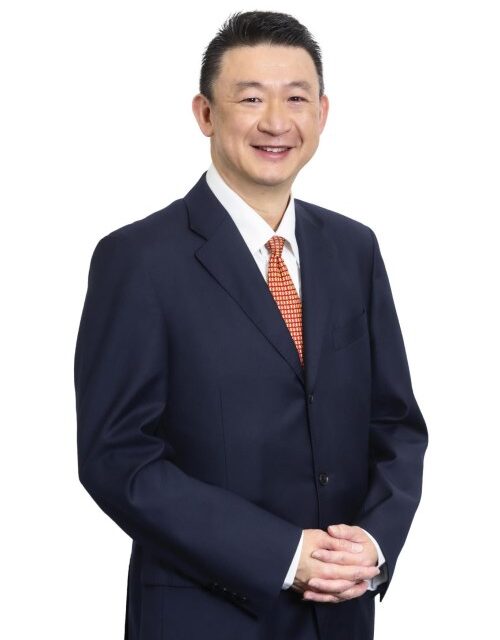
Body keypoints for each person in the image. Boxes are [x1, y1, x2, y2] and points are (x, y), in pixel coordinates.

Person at [74, 10, 428, 640]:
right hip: (204, 616)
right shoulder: (138, 260)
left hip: (342, 614)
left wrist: (373, 542)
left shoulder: (354, 249)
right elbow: (118, 458)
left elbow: (395, 424)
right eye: (250, 98)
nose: (276, 122)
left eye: (296, 98)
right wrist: (283, 554)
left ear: (322, 113)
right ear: (206, 114)